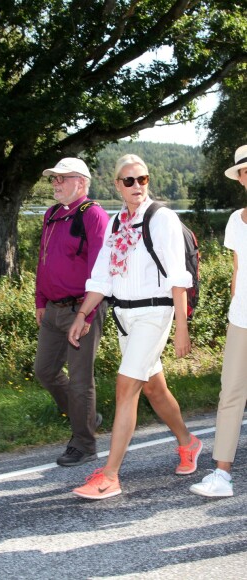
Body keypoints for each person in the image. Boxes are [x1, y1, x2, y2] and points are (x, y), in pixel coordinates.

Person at [68, 154, 202, 500]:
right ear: (117, 185)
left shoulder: (162, 218)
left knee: (126, 387)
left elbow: (178, 277)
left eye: (142, 179)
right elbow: (102, 277)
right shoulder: (117, 224)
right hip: (125, 317)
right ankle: (189, 443)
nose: (137, 186)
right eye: (129, 181)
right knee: (154, 389)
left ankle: (110, 476)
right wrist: (83, 315)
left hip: (154, 314)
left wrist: (182, 327)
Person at [35, 158, 109, 466]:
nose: (54, 183)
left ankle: (84, 443)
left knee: (80, 380)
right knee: (45, 371)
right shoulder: (52, 214)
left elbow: (101, 271)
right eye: (53, 178)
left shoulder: (93, 216)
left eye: (61, 178)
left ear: (80, 182)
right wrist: (40, 301)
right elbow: (43, 260)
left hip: (83, 309)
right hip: (53, 309)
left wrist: (87, 316)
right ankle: (86, 417)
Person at [190, 145, 247, 498]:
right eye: (245, 172)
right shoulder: (234, 220)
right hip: (242, 318)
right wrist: (233, 308)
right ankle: (222, 474)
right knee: (230, 394)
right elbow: (238, 270)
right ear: (240, 178)